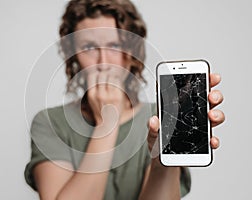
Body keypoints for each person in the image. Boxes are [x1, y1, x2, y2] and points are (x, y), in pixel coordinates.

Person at [24, 0, 225, 199]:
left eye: (114, 45)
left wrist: (162, 158)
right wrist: (106, 124)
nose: (103, 63)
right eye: (89, 48)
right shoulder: (50, 123)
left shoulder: (159, 118)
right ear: (73, 55)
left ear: (131, 52)